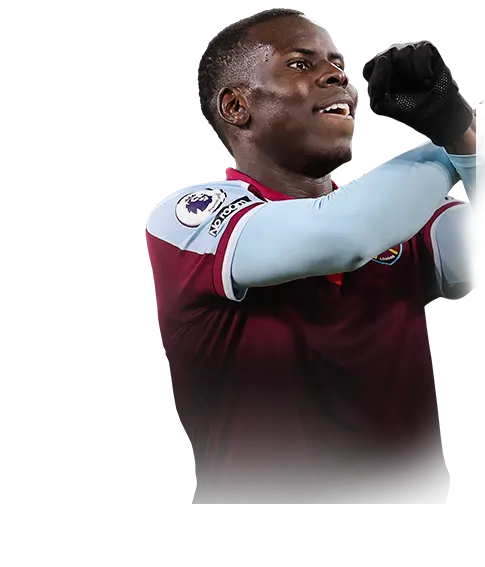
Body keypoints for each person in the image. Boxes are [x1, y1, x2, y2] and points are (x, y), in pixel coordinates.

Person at [145, 9, 484, 503]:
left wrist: (468, 136)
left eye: (338, 65)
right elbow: (343, 236)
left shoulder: (407, 227)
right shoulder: (188, 217)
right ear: (237, 106)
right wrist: (446, 144)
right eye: (300, 64)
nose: (336, 76)